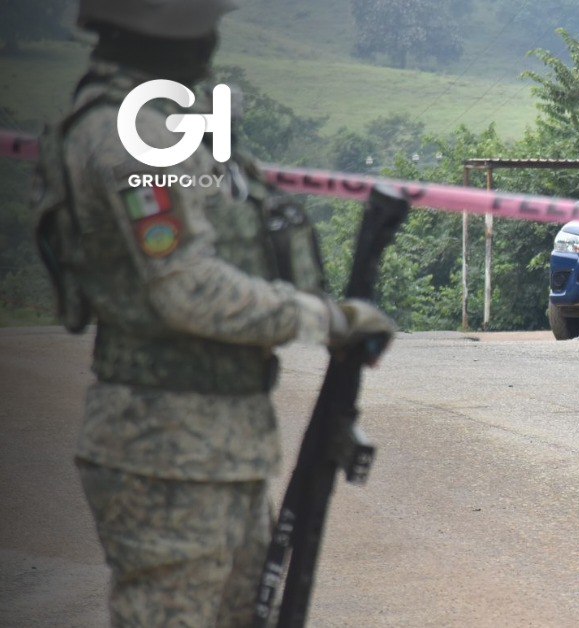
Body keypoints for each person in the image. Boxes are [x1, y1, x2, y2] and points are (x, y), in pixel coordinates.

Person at [33, 1, 394, 624]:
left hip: (216, 446)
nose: (211, 39)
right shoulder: (130, 134)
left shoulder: (166, 120)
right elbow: (188, 288)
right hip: (164, 452)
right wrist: (324, 319)